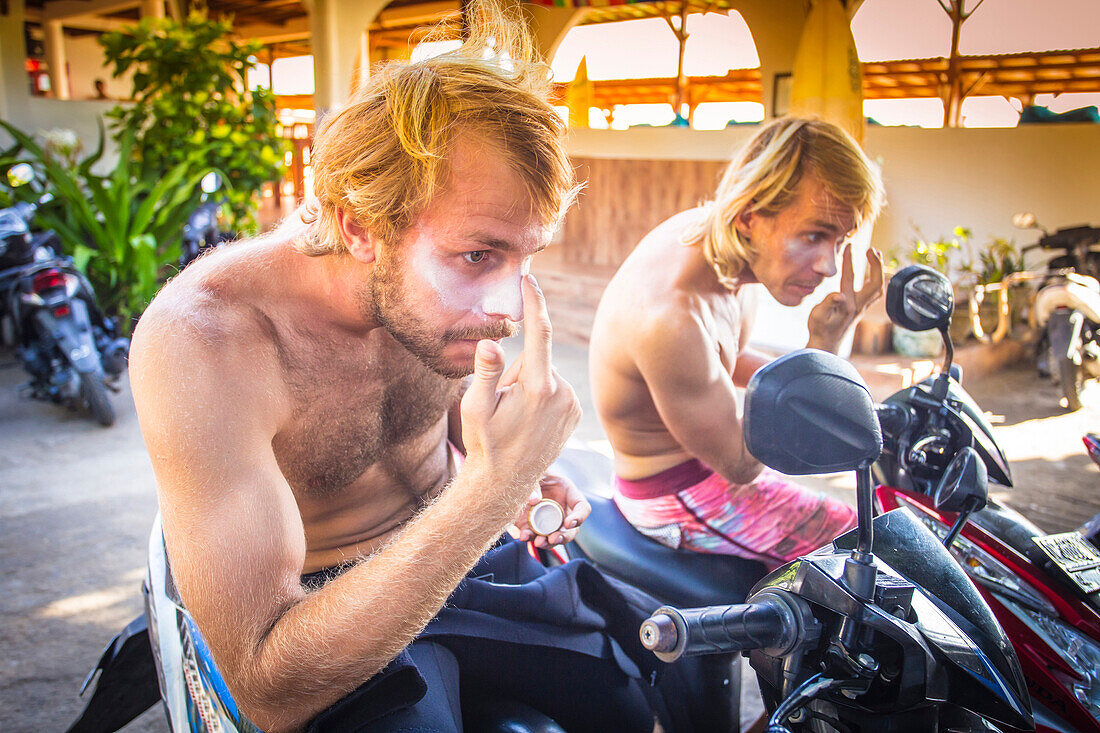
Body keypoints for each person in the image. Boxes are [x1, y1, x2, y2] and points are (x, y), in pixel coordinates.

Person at [129, 4, 697, 731]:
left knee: (637, 700)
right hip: (330, 613)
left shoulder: (435, 304)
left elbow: (441, 421)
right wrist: (493, 488)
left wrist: (503, 463)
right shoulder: (208, 342)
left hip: (471, 551)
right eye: (478, 256)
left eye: (526, 256)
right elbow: (267, 685)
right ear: (359, 225)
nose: (509, 307)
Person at [589, 117, 886, 570]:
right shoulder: (672, 318)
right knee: (868, 547)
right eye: (813, 235)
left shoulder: (717, 244)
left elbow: (722, 360)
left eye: (840, 240)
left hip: (705, 467)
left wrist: (821, 357)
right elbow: (743, 464)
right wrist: (823, 347)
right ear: (749, 217)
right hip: (679, 494)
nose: (829, 265)